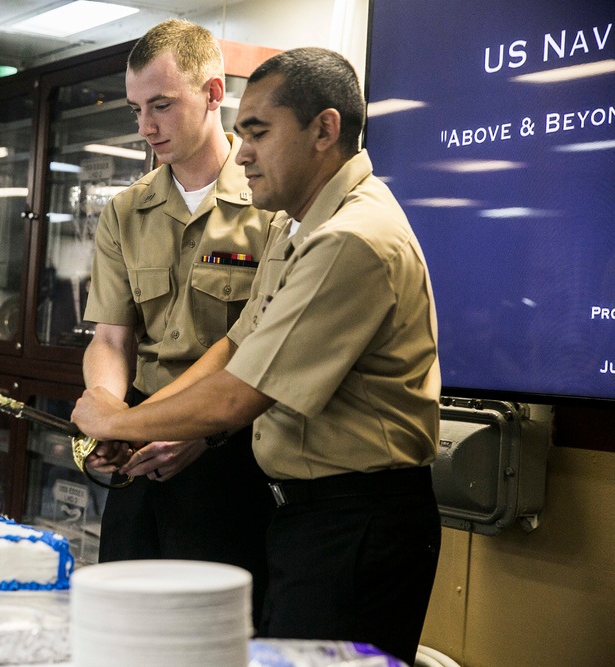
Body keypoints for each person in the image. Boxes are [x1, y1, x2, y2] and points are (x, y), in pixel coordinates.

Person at [73, 47, 442, 665]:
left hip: (351, 516)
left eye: (259, 133)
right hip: (296, 508)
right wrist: (126, 425)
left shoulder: (348, 238)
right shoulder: (297, 225)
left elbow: (243, 392)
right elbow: (238, 342)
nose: (244, 153)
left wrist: (114, 423)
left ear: (324, 129)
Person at [80, 19, 277, 626]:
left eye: (161, 105)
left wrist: (197, 431)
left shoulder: (272, 204)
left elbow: (262, 350)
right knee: (123, 625)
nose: (145, 127)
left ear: (215, 93)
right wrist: (106, 415)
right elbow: (111, 337)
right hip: (139, 448)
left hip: (231, 451)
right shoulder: (125, 210)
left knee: (210, 635)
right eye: (137, 108)